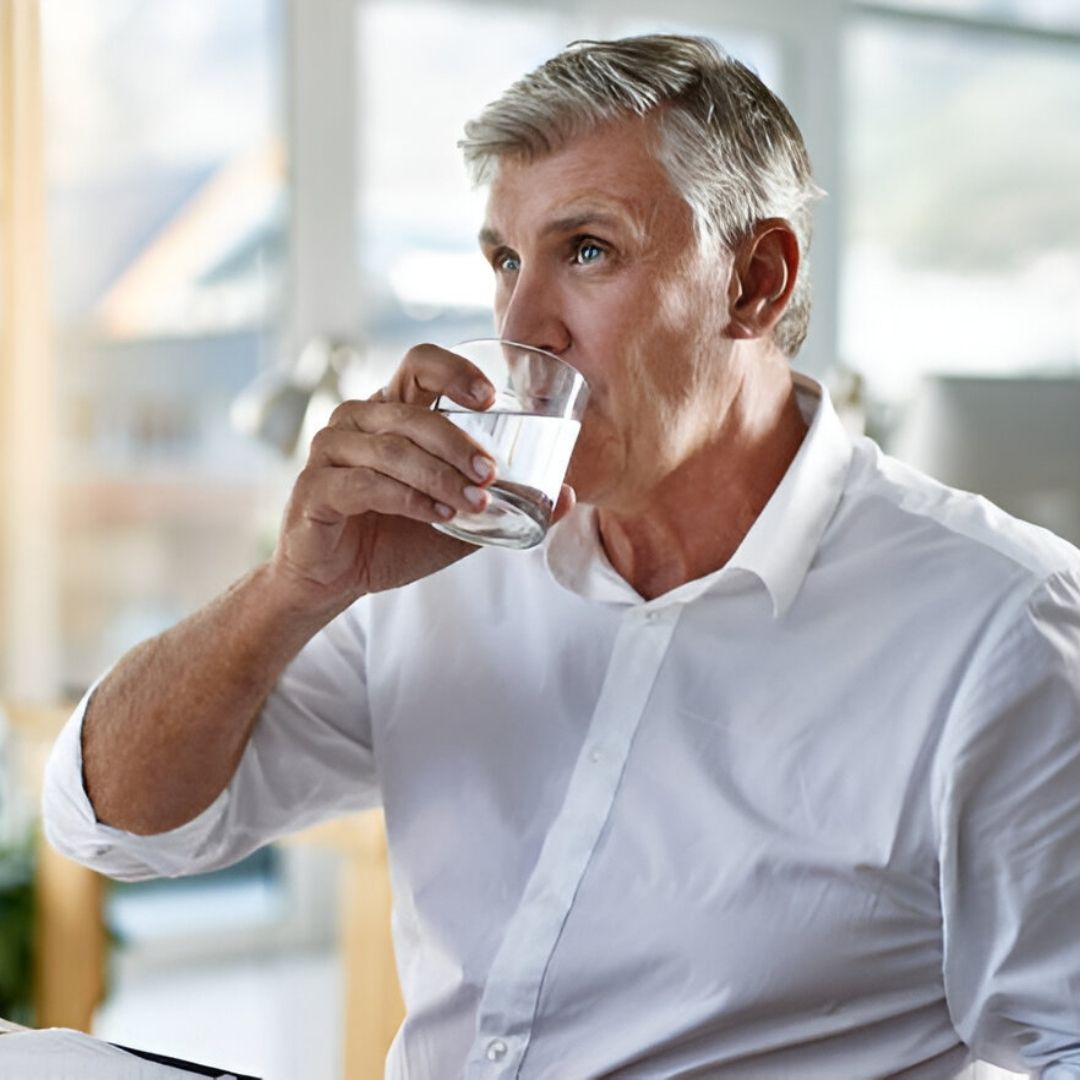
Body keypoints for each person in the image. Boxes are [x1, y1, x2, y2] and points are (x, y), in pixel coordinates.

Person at [43, 34, 1080, 1078]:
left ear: (756, 283)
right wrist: (289, 593)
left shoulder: (1001, 629)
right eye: (504, 259)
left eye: (587, 250)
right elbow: (115, 826)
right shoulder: (441, 555)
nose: (521, 325)